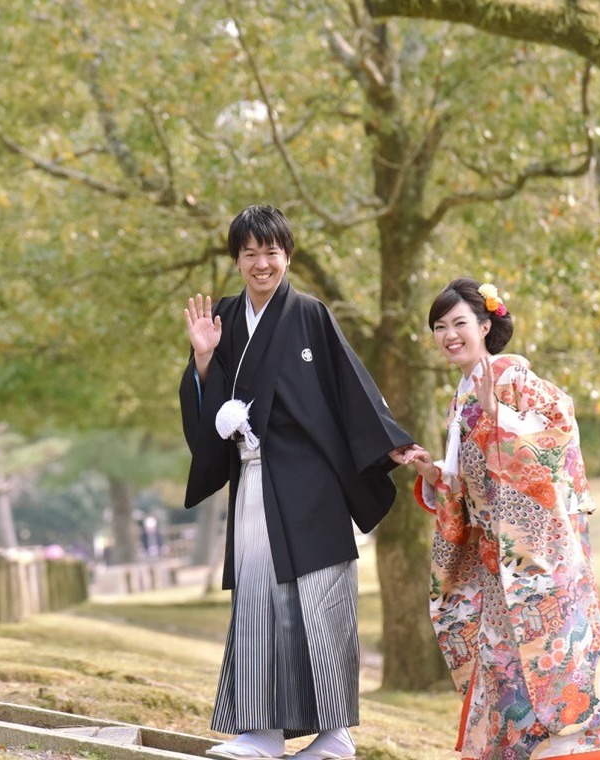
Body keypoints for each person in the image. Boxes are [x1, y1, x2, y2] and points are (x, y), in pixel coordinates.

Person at [180, 205, 420, 760]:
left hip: (314, 487)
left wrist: (392, 443)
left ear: (286, 255)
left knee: (322, 600)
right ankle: (262, 733)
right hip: (255, 483)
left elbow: (352, 388)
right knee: (259, 599)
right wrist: (202, 361)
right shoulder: (222, 319)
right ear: (236, 259)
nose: (261, 264)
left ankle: (335, 738)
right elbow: (205, 414)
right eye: (250, 254)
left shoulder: (310, 313)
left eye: (272, 252)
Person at [402, 277, 600, 760]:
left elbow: (559, 434)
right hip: (496, 564)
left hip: (539, 558)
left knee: (558, 658)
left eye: (459, 323)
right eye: (439, 327)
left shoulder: (512, 376)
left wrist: (501, 417)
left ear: (485, 326)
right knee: (505, 667)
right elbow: (467, 484)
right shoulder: (462, 396)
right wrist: (435, 475)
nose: (449, 335)